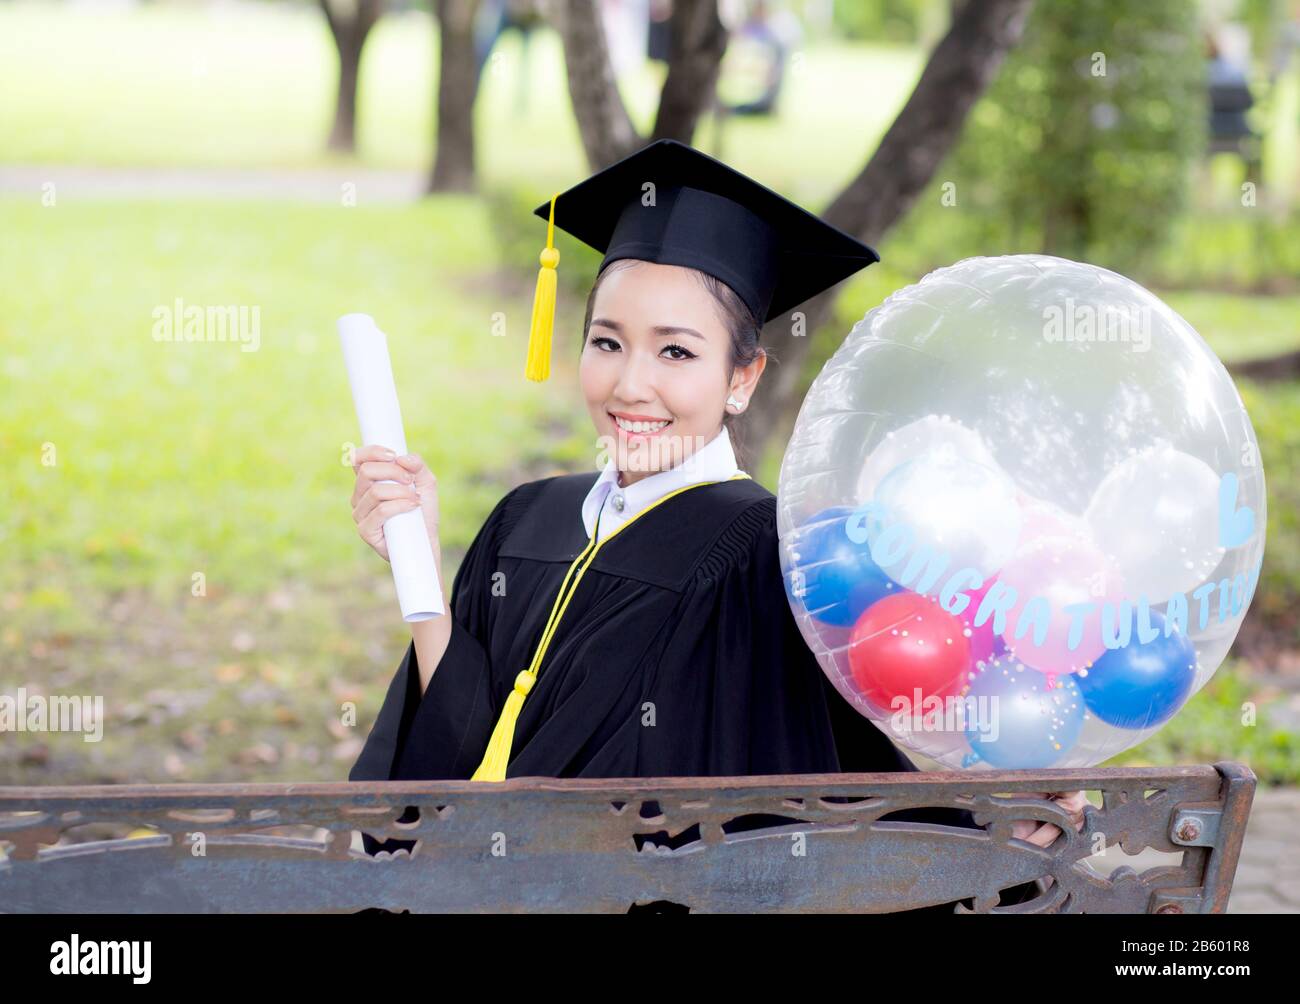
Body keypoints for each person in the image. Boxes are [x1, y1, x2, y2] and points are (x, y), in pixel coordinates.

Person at [347, 139, 1084, 911]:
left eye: (675, 351)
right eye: (607, 342)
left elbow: (816, 790)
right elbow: (457, 756)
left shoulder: (763, 554)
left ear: (742, 378)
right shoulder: (526, 518)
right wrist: (419, 565)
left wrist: (987, 825)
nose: (631, 384)